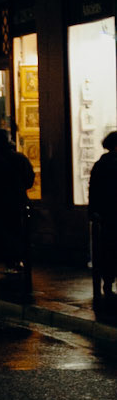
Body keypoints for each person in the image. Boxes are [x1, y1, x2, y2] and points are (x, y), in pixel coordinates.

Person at [0, 129, 35, 269]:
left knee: (3, 232)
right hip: (18, 201)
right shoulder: (20, 158)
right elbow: (29, 179)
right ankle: (19, 259)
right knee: (18, 230)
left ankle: (8, 260)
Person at [88, 130, 117, 304]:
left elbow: (94, 190)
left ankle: (107, 283)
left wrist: (93, 212)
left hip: (107, 216)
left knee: (107, 250)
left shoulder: (100, 165)